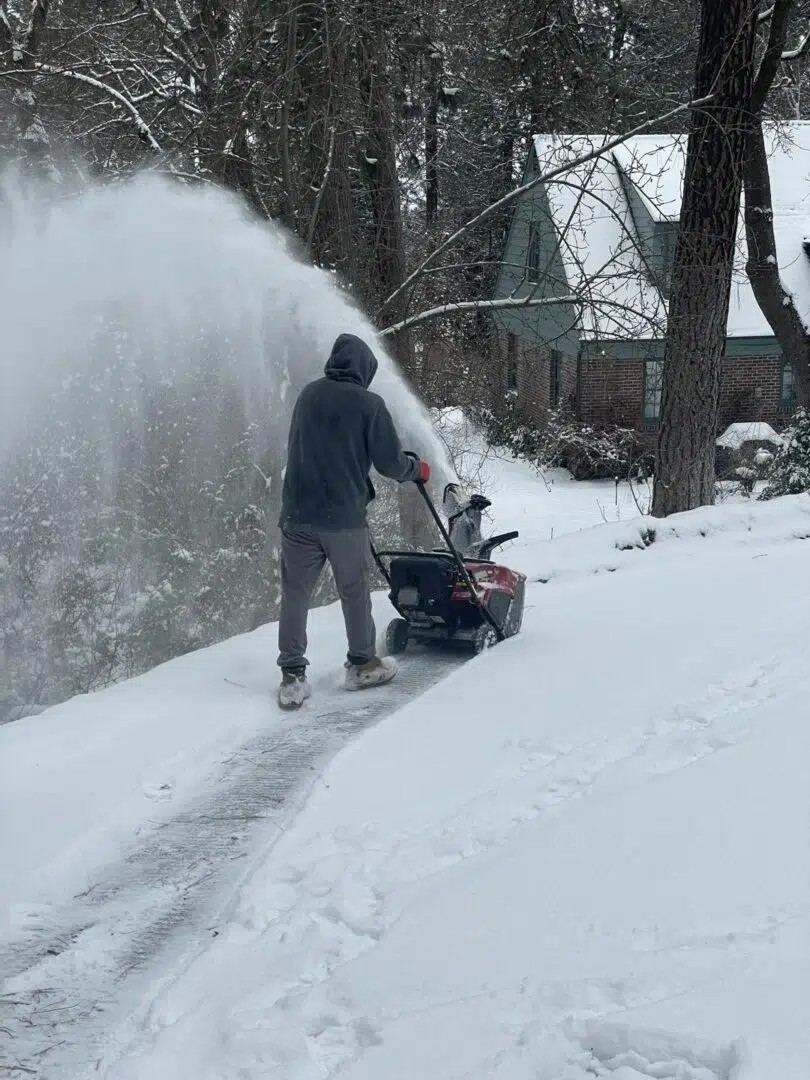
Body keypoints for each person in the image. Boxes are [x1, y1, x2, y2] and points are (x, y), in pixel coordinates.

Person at [276, 333, 430, 709]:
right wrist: (418, 469)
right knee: (353, 589)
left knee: (295, 594)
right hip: (342, 518)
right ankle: (362, 663)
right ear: (364, 369)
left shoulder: (308, 396)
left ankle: (292, 675)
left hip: (297, 515)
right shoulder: (368, 405)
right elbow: (391, 464)